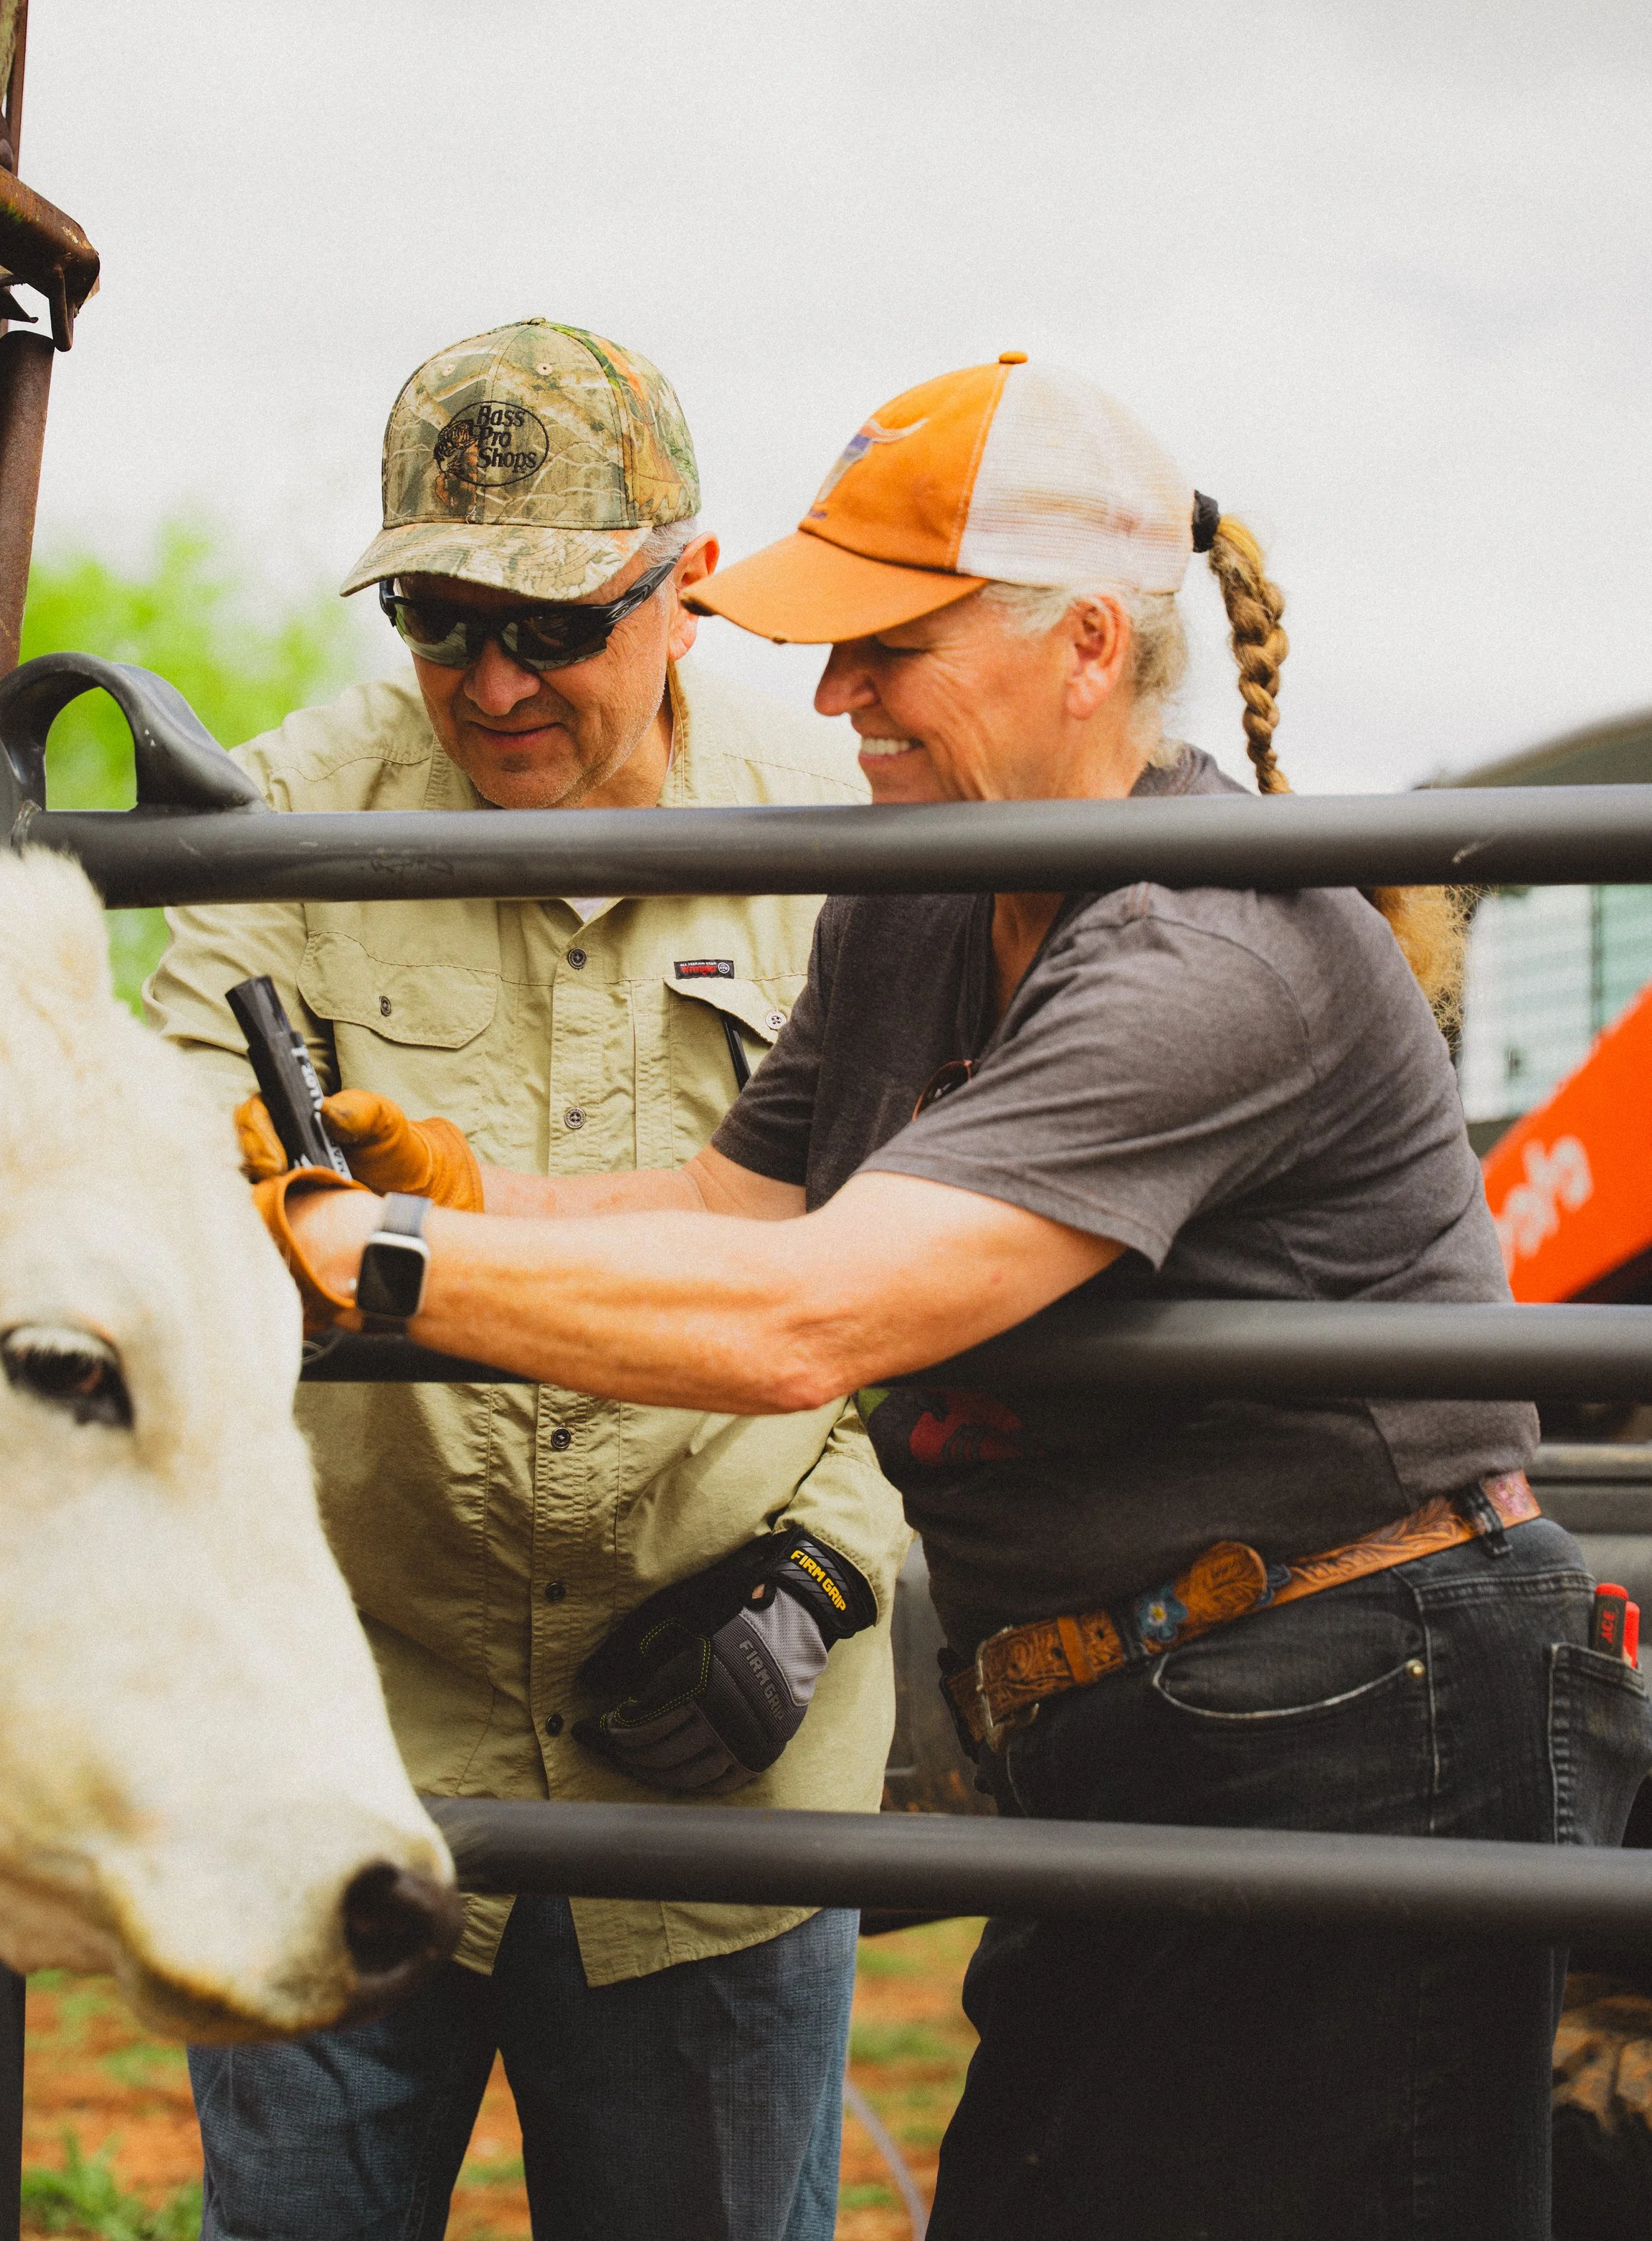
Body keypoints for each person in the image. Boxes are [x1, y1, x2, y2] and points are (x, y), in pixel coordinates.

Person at [261, 351, 1652, 2240]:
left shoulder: (1205, 938)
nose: (831, 692)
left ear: (1085, 643)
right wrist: (478, 1198)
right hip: (1133, 1712)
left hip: (1356, 1711)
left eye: (887, 645)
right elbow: (732, 1207)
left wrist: (398, 1274)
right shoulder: (922, 892)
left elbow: (810, 1321)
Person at [146, 319, 908, 2241]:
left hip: (718, 1765)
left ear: (689, 593)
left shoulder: (850, 839)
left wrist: (818, 1570)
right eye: (434, 614)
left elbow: (951, 1257)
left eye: (553, 627)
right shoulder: (282, 813)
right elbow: (163, 1176)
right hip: (342, 1726)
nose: (489, 681)